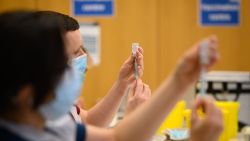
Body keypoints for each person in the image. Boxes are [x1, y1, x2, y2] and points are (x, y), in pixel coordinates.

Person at [0, 10, 223, 141]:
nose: (81, 66)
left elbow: (118, 138)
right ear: (25, 93)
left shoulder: (45, 123)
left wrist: (180, 79)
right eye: (62, 65)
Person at [37, 11, 150, 125]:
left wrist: (122, 83)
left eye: (82, 47)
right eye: (76, 51)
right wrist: (133, 118)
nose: (83, 55)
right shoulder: (41, 117)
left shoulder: (56, 104)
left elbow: (89, 121)